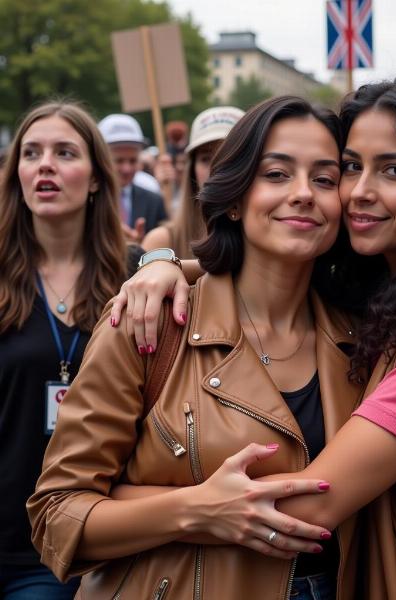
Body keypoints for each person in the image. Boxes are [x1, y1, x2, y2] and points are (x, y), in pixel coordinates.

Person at [27, 84, 396, 599]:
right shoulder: (152, 319)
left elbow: (366, 497)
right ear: (234, 198)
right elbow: (56, 514)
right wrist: (195, 507)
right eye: (276, 174)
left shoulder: (369, 330)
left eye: (325, 177)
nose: (304, 192)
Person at [0, 101, 144, 599]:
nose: (45, 165)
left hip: (68, 542)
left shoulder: (138, 275)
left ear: (98, 178)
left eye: (65, 153)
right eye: (32, 153)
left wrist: (166, 260)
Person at [143, 106, 244, 258]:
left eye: (230, 156)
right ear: (192, 170)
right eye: (206, 159)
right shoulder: (162, 243)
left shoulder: (273, 239)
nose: (216, 168)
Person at [98, 114, 168, 243]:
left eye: (133, 161)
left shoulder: (154, 201)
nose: (127, 169)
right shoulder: (85, 201)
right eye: (118, 161)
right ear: (101, 159)